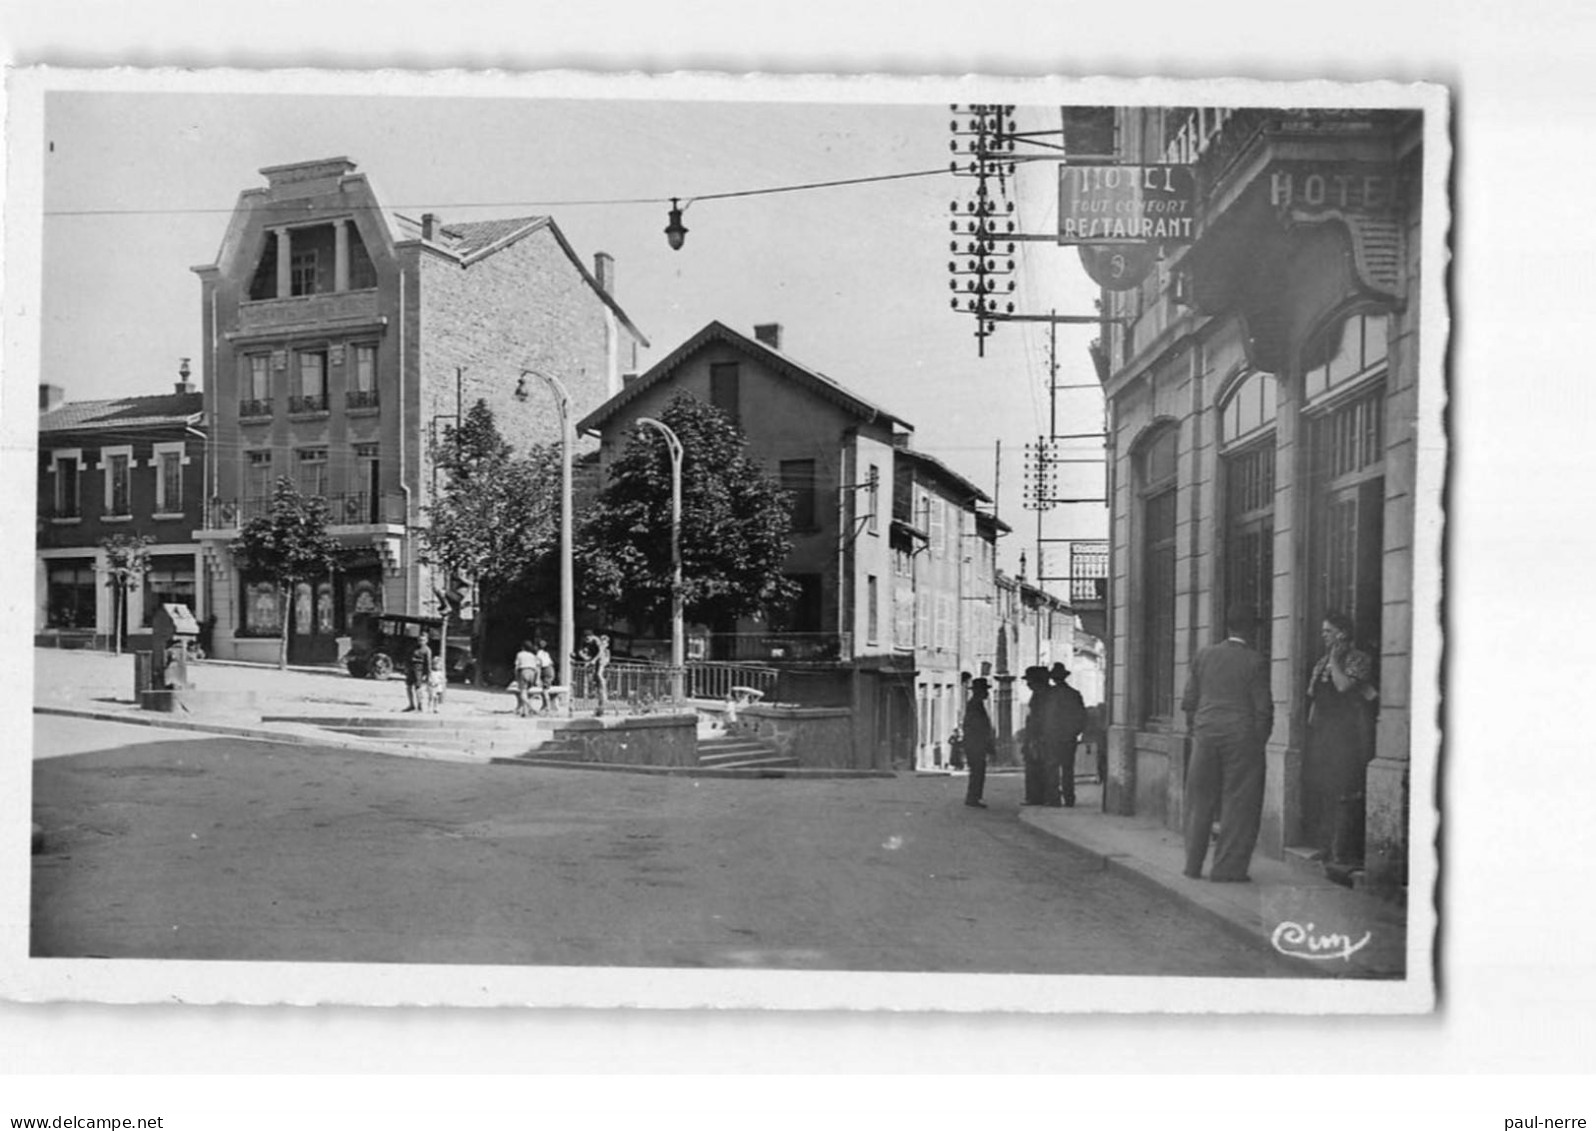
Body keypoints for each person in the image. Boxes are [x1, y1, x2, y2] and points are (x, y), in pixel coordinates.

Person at [1179, 603, 1273, 882]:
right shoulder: (1255, 661)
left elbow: (1189, 701)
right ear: (1252, 631)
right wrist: (1257, 743)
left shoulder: (1204, 655)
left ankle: (1192, 866)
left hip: (1206, 735)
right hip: (1241, 738)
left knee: (1199, 801)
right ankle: (1227, 870)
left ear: (1228, 627)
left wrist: (1198, 730)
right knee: (1239, 803)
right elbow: (1263, 710)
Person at [1305, 610, 1377, 869]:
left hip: (1348, 735)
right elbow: (1314, 696)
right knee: (1325, 789)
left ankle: (1340, 852)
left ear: (1342, 634)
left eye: (1328, 631)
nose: (1323, 636)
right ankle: (1325, 847)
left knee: (1345, 792)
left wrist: (1335, 661)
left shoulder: (1359, 660)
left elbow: (1344, 686)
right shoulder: (1320, 662)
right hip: (1324, 735)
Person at [1048, 663, 1088, 807]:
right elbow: (1082, 716)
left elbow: (1045, 717)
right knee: (1068, 768)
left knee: (1052, 766)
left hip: (1052, 737)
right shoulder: (1074, 694)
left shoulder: (1050, 694)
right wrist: (1076, 732)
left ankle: (1054, 798)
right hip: (1069, 737)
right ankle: (1069, 798)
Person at [1019, 666, 1052, 805]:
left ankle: (1037, 797)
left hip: (1040, 738)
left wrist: (1034, 739)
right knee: (1036, 768)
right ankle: (1036, 796)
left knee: (1037, 768)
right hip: (1036, 737)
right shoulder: (1040, 694)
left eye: (1030, 681)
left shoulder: (1043, 695)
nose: (1028, 684)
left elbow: (1041, 719)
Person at [961, 678, 996, 808]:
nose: (987, 693)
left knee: (978, 772)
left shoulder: (976, 704)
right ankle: (973, 798)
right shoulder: (975, 705)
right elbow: (977, 727)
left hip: (975, 743)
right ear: (979, 691)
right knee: (977, 772)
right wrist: (986, 744)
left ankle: (974, 797)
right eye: (985, 690)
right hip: (975, 744)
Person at [579, 630, 610, 717]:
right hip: (594, 659)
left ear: (592, 636)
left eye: (588, 638)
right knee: (593, 677)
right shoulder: (586, 642)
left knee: (599, 674)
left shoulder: (596, 641)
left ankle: (602, 685)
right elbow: (581, 651)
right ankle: (597, 690)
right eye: (585, 639)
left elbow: (600, 653)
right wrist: (585, 657)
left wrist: (593, 660)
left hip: (601, 659)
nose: (587, 640)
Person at [405, 634, 434, 713]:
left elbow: (428, 663)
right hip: (411, 668)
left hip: (419, 670)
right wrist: (407, 668)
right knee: (408, 686)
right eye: (420, 640)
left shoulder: (427, 650)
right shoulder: (413, 648)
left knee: (418, 688)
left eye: (423, 640)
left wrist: (428, 674)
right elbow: (408, 657)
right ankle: (411, 705)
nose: (421, 642)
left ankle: (420, 706)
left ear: (426, 641)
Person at [513, 640, 539, 718]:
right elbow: (537, 667)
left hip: (524, 671)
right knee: (527, 692)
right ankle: (525, 712)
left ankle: (531, 707)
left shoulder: (520, 654)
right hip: (532, 672)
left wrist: (516, 677)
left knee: (522, 693)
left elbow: (517, 666)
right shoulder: (533, 656)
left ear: (523, 647)